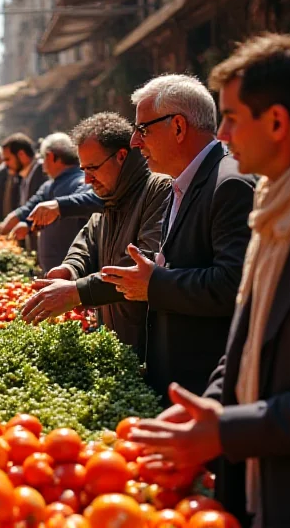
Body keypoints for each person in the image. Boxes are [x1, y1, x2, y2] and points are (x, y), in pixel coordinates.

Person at [128, 34, 290, 528]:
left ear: (277, 122)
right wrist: (211, 406)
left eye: (230, 119)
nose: (221, 135)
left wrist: (229, 430)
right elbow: (247, 340)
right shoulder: (276, 204)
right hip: (261, 482)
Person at [100, 75, 256, 398]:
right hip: (175, 383)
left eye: (142, 129)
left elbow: (233, 285)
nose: (134, 142)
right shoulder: (179, 182)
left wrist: (154, 284)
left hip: (206, 389)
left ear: (179, 128)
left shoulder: (228, 185)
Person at [20, 113, 170, 352]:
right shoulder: (110, 192)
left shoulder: (159, 189)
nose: (87, 180)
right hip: (116, 334)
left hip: (148, 341)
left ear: (121, 156)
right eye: (83, 170)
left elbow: (140, 267)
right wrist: (70, 269)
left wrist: (77, 292)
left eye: (92, 168)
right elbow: (88, 241)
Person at [1, 133, 100, 274]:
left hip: (74, 272)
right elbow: (31, 206)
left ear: (50, 156)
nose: (42, 164)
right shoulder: (49, 185)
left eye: (43, 158)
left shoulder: (82, 181)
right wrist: (27, 223)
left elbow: (92, 200)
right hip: (52, 269)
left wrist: (59, 206)